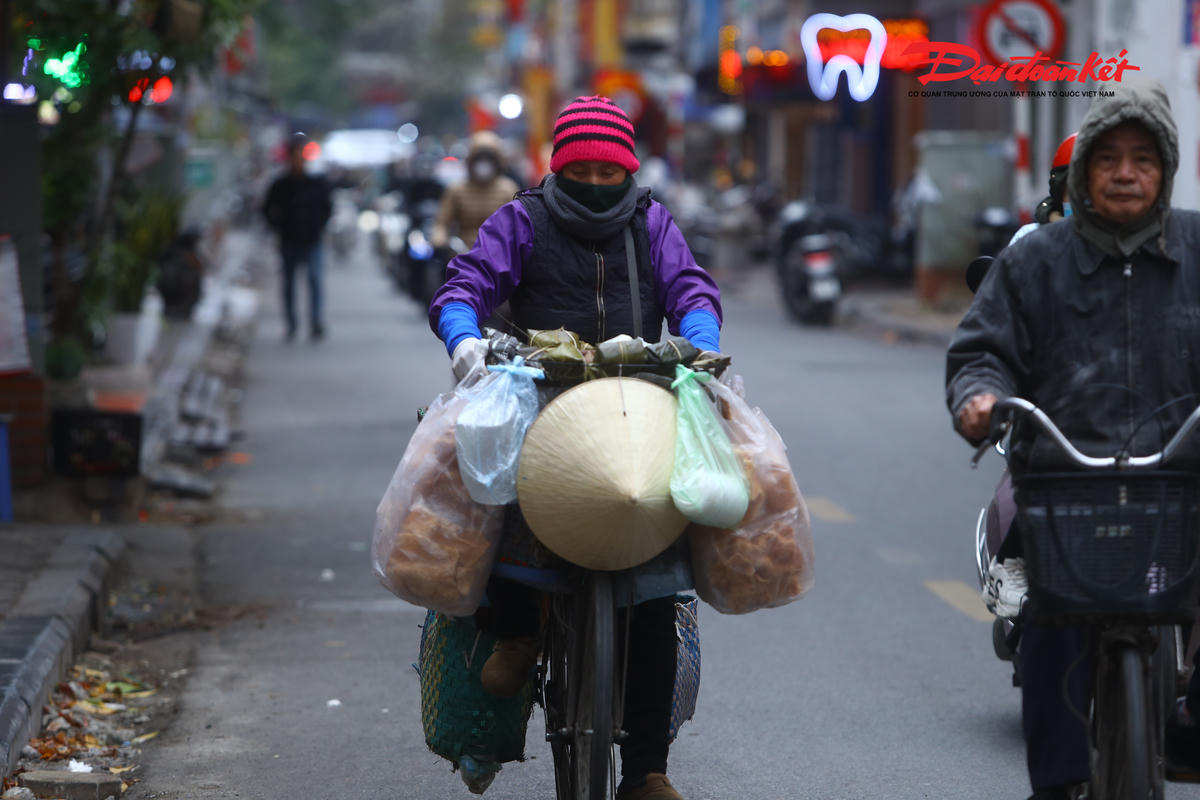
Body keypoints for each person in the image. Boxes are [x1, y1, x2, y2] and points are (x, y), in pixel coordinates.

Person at [428, 95, 723, 800]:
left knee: (653, 585)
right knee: (494, 496)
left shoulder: (652, 222)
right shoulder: (521, 220)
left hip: (631, 407)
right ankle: (518, 632)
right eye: (581, 167)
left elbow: (692, 292)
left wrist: (702, 345)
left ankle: (647, 769)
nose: (595, 180)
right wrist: (464, 337)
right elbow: (463, 286)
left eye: (608, 167)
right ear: (559, 167)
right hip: (541, 398)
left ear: (628, 168)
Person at [945, 76, 1200, 799]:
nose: (1125, 173)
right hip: (1067, 476)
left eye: (1143, 159)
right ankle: (1056, 784)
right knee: (1049, 618)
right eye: (1108, 158)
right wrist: (980, 398)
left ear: (1166, 169)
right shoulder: (1034, 262)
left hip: (1181, 473)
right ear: (1085, 170)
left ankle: (1188, 725)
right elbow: (980, 350)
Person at [262, 136, 332, 341]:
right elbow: (267, 210)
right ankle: (292, 324)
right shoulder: (280, 185)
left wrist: (318, 226)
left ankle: (315, 322)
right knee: (289, 284)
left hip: (312, 240)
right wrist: (278, 227)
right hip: (289, 241)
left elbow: (327, 209)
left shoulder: (316, 183)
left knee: (314, 280)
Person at [430, 130, 519, 250]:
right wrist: (440, 238)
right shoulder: (456, 190)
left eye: (489, 158)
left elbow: (519, 226)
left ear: (497, 162)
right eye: (479, 158)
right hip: (463, 255)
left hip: (500, 254)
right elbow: (441, 223)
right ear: (471, 161)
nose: (483, 162)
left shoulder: (508, 189)